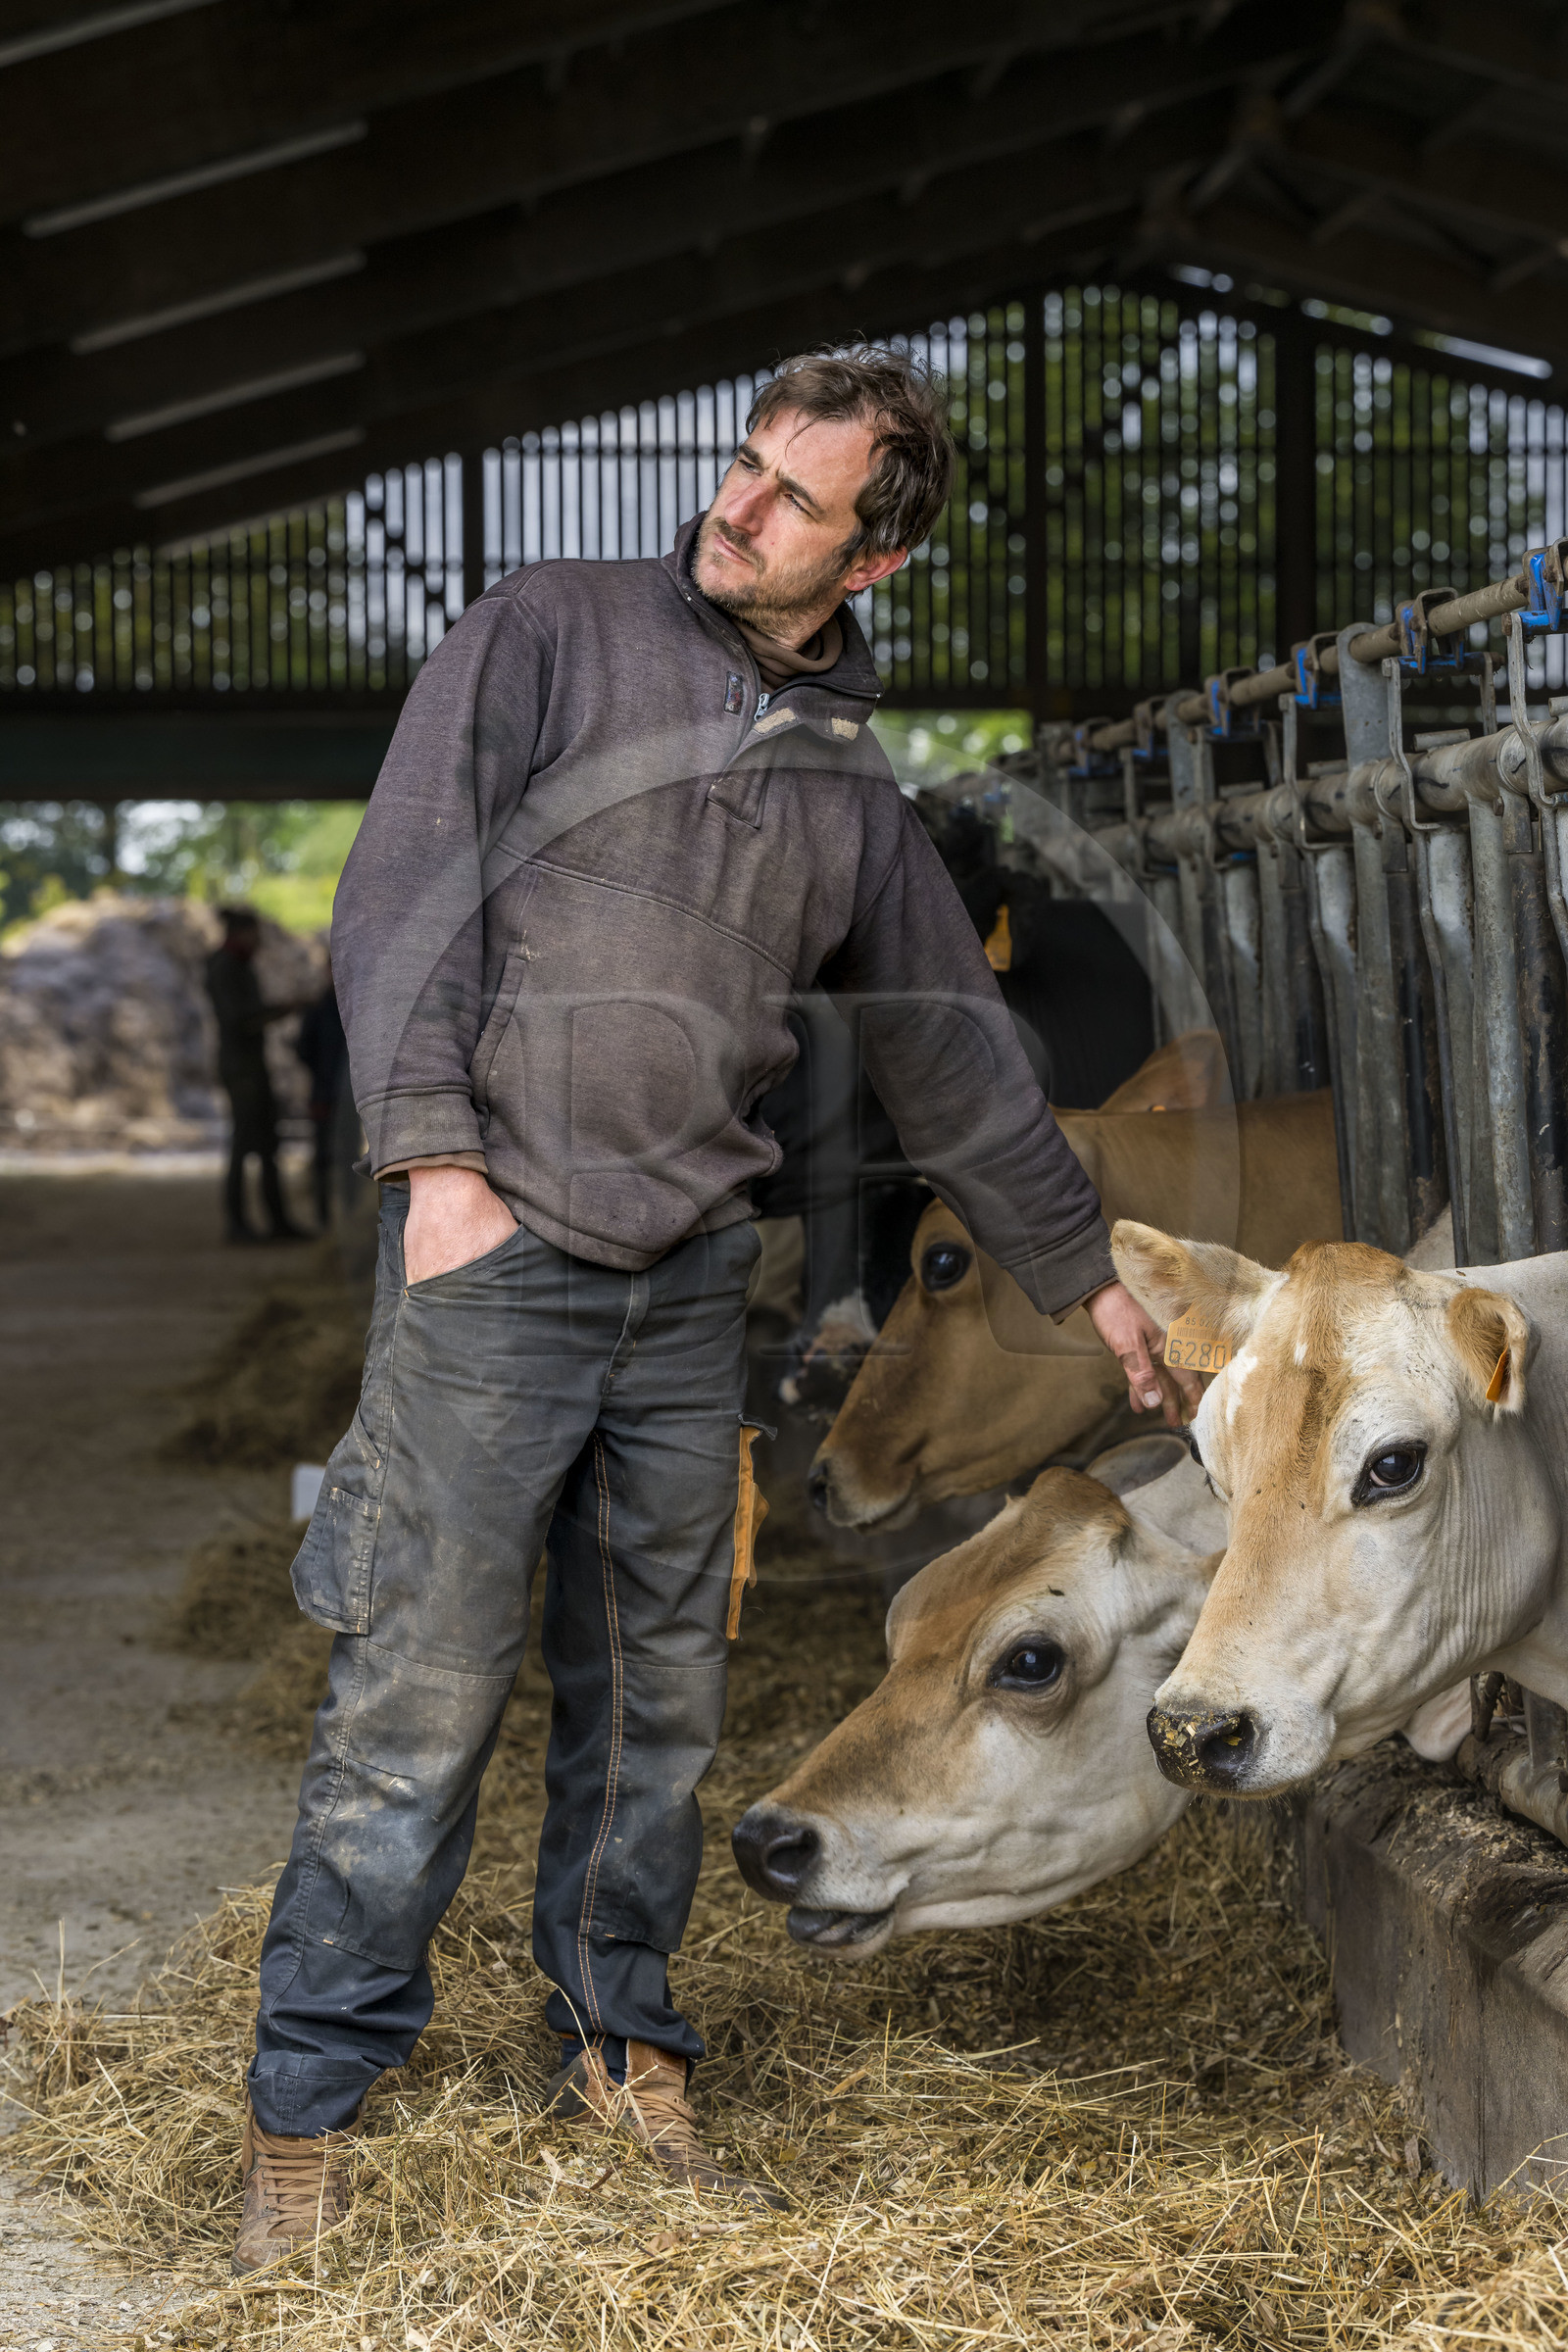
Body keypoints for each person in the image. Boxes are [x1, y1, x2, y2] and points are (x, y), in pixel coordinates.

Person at [233, 346, 1200, 2276]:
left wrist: (1086, 1284)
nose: (737, 506)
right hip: (493, 1257)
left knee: (654, 1703)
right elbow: (401, 893)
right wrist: (434, 1164)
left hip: (683, 1291)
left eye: (792, 495)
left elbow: (955, 1060)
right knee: (418, 1698)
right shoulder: (545, 634)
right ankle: (310, 2102)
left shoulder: (845, 783)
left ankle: (616, 2037)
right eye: (743, 465)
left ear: (875, 562)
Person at [205, 908, 309, 1245]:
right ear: (240, 932)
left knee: (265, 1145)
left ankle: (274, 1221)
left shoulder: (236, 964)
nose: (259, 939)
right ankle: (239, 1224)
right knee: (245, 1145)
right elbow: (238, 1020)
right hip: (242, 1068)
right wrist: (279, 1010)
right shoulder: (226, 967)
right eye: (253, 931)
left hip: (247, 1066)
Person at [294, 954, 349, 1230]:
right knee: (324, 1158)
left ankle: (349, 1217)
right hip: (325, 1093)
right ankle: (323, 1218)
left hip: (349, 1098)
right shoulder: (319, 1009)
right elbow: (303, 1049)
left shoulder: (354, 1008)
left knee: (350, 1159)